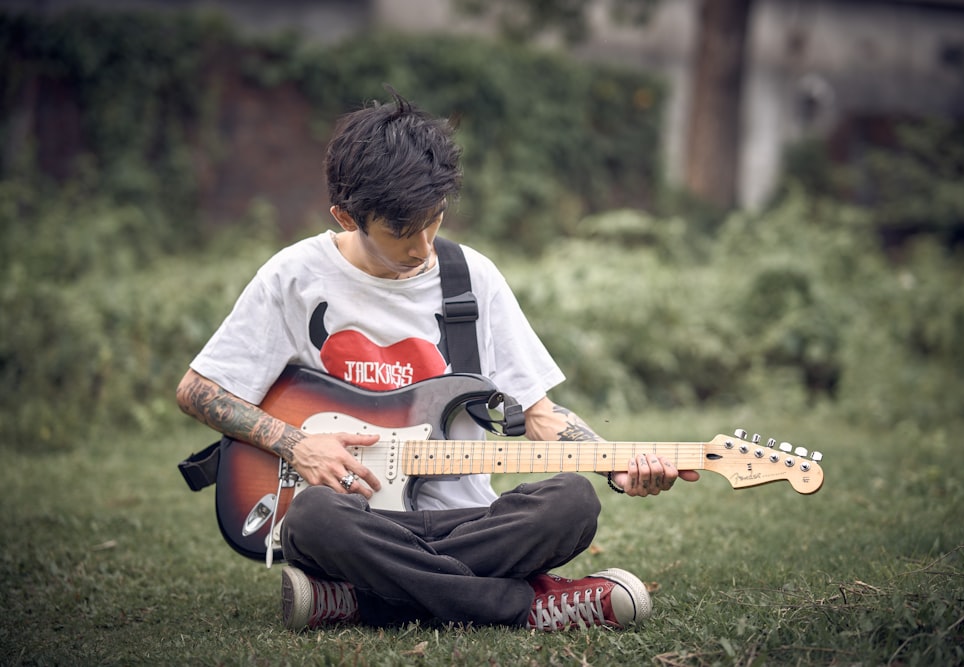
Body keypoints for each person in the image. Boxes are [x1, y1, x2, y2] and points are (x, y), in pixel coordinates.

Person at [176, 89, 699, 632]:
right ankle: (525, 606)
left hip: (467, 521)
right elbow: (198, 389)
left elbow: (539, 413)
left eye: (435, 220)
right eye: (402, 231)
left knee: (571, 502)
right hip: (355, 519)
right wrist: (296, 444)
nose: (424, 246)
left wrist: (616, 463)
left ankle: (362, 600)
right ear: (345, 215)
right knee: (311, 518)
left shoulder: (471, 279)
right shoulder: (294, 276)